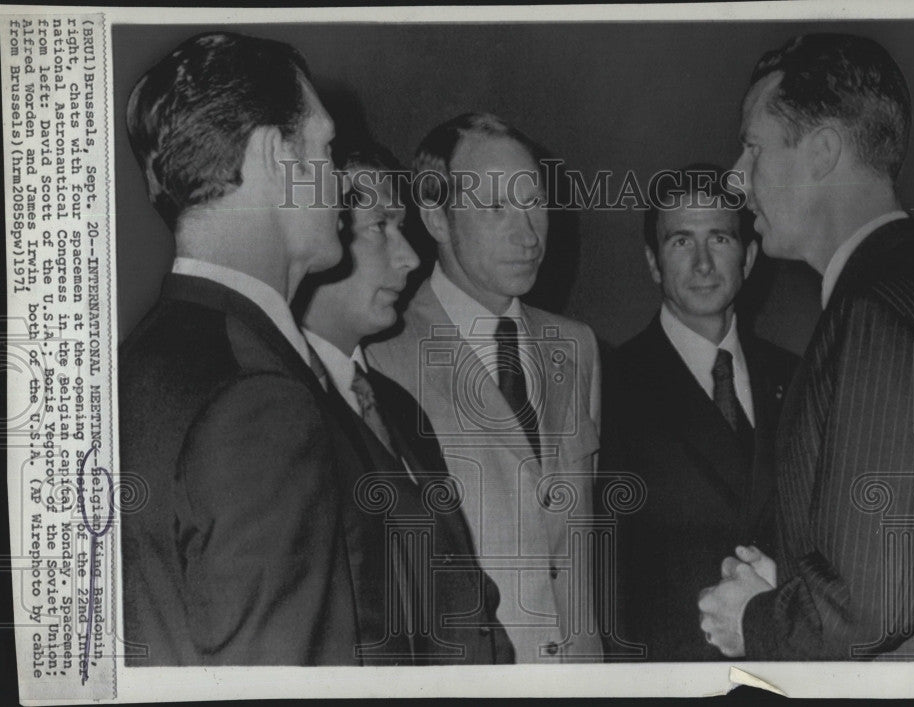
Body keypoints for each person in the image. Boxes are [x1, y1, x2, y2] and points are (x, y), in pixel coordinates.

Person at [698, 33, 914, 660]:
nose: (736, 180)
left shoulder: (877, 310)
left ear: (822, 152)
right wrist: (793, 585)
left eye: (753, 147)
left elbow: (872, 603)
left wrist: (758, 619)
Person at [121, 32, 383, 665]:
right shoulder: (257, 398)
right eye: (324, 147)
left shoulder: (135, 364)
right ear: (276, 157)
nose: (340, 187)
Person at [366, 113, 604, 662]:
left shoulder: (578, 347)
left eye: (534, 203)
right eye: (496, 207)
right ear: (437, 217)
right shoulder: (382, 356)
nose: (527, 235)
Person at [296, 144, 514, 663]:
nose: (411, 257)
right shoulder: (287, 410)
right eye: (381, 226)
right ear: (319, 231)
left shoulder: (392, 400)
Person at [600, 165, 798, 661]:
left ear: (750, 256)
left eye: (721, 240)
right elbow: (604, 574)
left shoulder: (797, 376)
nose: (704, 264)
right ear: (653, 262)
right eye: (681, 242)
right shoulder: (608, 383)